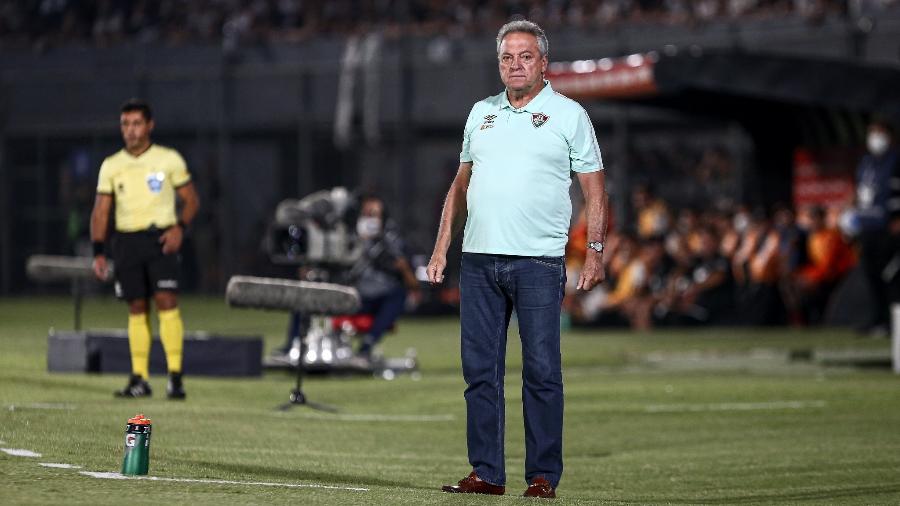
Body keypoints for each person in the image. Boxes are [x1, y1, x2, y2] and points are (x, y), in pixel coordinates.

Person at [427, 20, 608, 499]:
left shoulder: (569, 115)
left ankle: (543, 475)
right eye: (507, 57)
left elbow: (594, 189)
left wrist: (594, 250)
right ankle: (486, 473)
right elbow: (460, 184)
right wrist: (443, 243)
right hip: (480, 262)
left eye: (525, 56)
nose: (515, 65)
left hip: (539, 263)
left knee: (542, 372)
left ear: (543, 63)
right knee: (478, 372)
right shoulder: (481, 113)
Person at [90, 99, 200, 399]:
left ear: (150, 125)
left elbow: (191, 200)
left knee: (167, 302)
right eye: (125, 124)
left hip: (159, 239)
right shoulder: (112, 165)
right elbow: (101, 210)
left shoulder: (168, 159)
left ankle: (175, 377)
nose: (130, 130)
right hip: (126, 242)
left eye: (136, 123)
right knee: (136, 307)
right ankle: (139, 378)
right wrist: (98, 251)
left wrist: (180, 228)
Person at [842, 118, 900, 335]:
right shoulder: (866, 162)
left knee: (890, 276)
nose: (875, 137)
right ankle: (878, 320)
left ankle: (892, 322)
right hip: (867, 226)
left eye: (879, 132)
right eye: (872, 132)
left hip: (887, 227)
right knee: (871, 275)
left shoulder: (895, 160)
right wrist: (849, 210)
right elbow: (860, 191)